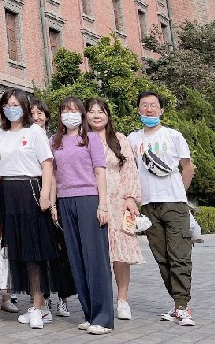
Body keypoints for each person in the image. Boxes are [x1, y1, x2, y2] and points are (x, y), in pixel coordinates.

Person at [126, 91, 195, 327]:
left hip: (174, 203)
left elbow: (187, 167)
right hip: (147, 205)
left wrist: (181, 193)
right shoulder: (133, 139)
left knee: (179, 255)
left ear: (161, 110)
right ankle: (178, 304)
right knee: (161, 257)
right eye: (144, 105)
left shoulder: (173, 135)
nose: (149, 109)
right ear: (138, 110)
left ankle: (182, 306)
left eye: (153, 105)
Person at [0, 89, 61, 330]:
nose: (11, 109)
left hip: (30, 189)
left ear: (24, 107)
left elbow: (47, 164)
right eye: (7, 105)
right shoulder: (1, 134)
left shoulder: (34, 132)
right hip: (9, 192)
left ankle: (38, 306)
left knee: (34, 250)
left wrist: (45, 195)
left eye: (16, 104)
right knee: (18, 250)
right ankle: (38, 307)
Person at [50, 97, 114, 335]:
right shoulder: (54, 141)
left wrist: (103, 205)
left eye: (75, 110)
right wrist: (54, 204)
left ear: (82, 114)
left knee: (95, 258)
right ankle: (89, 313)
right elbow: (53, 174)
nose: (70, 114)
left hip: (88, 199)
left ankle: (103, 318)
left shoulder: (91, 139)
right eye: (65, 111)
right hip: (65, 201)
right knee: (76, 259)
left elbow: (100, 172)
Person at [86, 97, 142, 321]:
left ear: (108, 115)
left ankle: (122, 300)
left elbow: (130, 169)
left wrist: (130, 197)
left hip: (118, 199)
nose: (96, 115)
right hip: (91, 198)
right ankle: (100, 299)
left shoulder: (119, 139)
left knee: (121, 253)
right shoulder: (81, 139)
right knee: (96, 252)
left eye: (101, 111)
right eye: (91, 111)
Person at [30, 97, 72, 320]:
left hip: (54, 199)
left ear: (47, 116)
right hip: (33, 198)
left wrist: (53, 202)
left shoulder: (55, 140)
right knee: (40, 252)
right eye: (32, 113)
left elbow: (54, 174)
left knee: (60, 252)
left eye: (40, 113)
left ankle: (63, 298)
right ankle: (42, 299)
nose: (36, 117)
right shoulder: (26, 136)